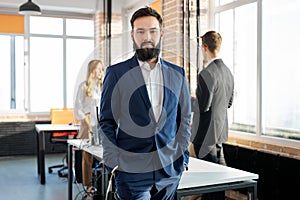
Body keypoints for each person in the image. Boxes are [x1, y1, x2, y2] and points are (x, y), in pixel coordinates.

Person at [99, 7, 191, 200]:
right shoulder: (116, 73)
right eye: (140, 31)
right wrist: (113, 161)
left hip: (169, 171)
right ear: (132, 35)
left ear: (161, 33)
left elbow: (184, 120)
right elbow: (107, 120)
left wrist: (182, 159)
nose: (146, 36)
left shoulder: (178, 74)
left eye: (152, 31)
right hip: (131, 171)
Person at [190, 31, 234, 200]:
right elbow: (228, 103)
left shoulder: (206, 73)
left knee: (208, 179)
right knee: (218, 176)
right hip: (220, 131)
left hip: (205, 133)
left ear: (204, 47)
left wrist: (191, 98)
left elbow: (202, 107)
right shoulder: (228, 72)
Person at [74, 59, 104, 196]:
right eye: (98, 69)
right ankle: (88, 186)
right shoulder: (84, 87)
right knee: (88, 156)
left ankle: (103, 184)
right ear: (92, 70)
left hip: (101, 125)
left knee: (103, 154)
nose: (100, 72)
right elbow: (78, 109)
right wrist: (87, 121)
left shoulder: (103, 86)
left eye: (101, 69)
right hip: (88, 126)